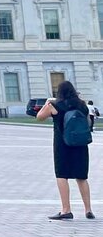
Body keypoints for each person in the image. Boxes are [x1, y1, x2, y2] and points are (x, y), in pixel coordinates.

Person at [36, 81, 94, 220]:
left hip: (62, 144)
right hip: (80, 143)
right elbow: (88, 123)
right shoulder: (82, 105)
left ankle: (66, 210)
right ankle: (88, 209)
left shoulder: (55, 105)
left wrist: (47, 103)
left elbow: (39, 117)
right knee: (82, 177)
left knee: (62, 175)